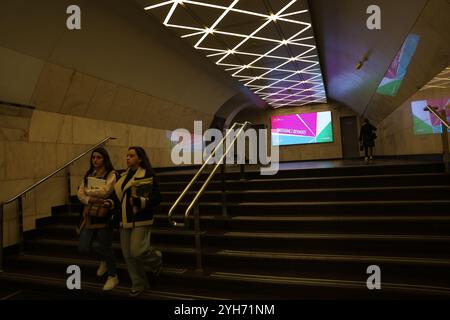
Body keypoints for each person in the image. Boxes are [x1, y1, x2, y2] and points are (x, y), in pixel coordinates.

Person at [105, 146, 162, 297]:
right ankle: (139, 284)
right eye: (127, 155)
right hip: (124, 220)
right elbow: (118, 199)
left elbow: (157, 198)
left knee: (138, 251)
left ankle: (156, 259)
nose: (127, 158)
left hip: (140, 219)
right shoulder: (123, 176)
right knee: (128, 255)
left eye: (131, 155)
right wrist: (110, 204)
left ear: (140, 158)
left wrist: (140, 201)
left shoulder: (147, 174)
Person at [77, 147, 119, 291]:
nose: (95, 160)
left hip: (104, 216)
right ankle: (103, 259)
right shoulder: (88, 174)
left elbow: (106, 191)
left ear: (105, 159)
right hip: (89, 215)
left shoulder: (111, 174)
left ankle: (113, 276)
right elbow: (79, 194)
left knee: (102, 246)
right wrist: (90, 199)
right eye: (93, 157)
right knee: (83, 247)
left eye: (99, 157)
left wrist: (88, 192)